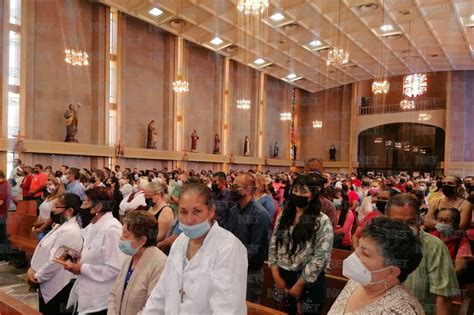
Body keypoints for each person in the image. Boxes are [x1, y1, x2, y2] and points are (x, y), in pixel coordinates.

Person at [142, 182, 247, 314]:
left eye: (197, 211)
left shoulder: (228, 248)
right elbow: (160, 293)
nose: (189, 220)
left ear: (211, 211)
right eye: (183, 212)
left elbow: (227, 309)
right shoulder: (180, 242)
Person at [328, 217, 424, 314]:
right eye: (358, 246)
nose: (355, 255)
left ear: (391, 272)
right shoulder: (359, 281)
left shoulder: (398, 311)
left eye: (365, 253)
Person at [269, 174, 333, 314]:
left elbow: (320, 256)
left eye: (303, 192)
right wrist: (276, 275)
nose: (298, 194)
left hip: (308, 280)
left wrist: (300, 284)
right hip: (283, 275)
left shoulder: (321, 221)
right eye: (296, 190)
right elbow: (274, 243)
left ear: (313, 195)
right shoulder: (284, 214)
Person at [387, 193, 460, 315]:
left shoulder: (435, 247)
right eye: (398, 223)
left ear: (419, 219)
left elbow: (443, 297)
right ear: (387, 220)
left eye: (411, 222)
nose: (405, 228)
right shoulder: (378, 243)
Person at [64, 187, 125, 314]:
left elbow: (115, 269)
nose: (82, 207)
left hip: (101, 299)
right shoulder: (93, 225)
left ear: (98, 207)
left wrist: (81, 268)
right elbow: (91, 253)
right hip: (86, 292)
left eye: (86, 203)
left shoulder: (112, 229)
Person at [27, 193, 83, 314]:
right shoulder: (60, 225)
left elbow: (57, 261)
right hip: (44, 280)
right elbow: (43, 249)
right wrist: (32, 268)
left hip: (57, 287)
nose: (53, 210)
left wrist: (37, 277)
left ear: (69, 211)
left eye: (57, 207)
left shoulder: (71, 232)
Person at [108, 211, 167, 314]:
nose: (121, 238)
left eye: (126, 235)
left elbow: (154, 307)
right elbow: (114, 293)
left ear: (142, 240)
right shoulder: (129, 258)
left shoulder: (160, 264)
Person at [225, 173, 270, 303]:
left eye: (235, 187)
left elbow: (257, 250)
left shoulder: (260, 214)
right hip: (231, 268)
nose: (232, 190)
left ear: (249, 190)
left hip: (249, 273)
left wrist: (234, 263)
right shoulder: (234, 210)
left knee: (247, 308)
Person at [431, 207, 472, 279]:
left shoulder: (462, 241)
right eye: (440, 220)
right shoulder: (431, 236)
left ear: (456, 224)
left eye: (447, 221)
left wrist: (441, 280)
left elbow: (459, 269)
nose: (442, 223)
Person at [33, 176, 65, 240]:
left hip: (47, 227)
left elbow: (51, 217)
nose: (48, 186)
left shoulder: (58, 199)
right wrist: (36, 224)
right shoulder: (48, 197)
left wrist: (41, 229)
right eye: (47, 184)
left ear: (57, 186)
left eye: (50, 184)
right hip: (40, 224)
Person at [0, 171, 11, 262]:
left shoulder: (2, 185)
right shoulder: (5, 183)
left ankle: (4, 257)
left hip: (1, 215)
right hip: (2, 214)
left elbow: (0, 202)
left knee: (2, 236)